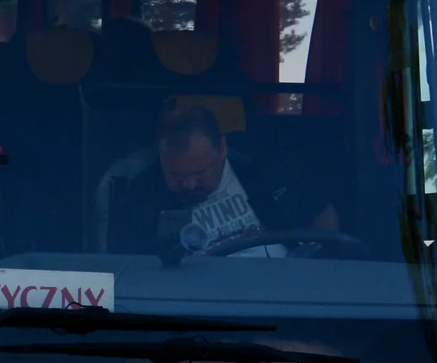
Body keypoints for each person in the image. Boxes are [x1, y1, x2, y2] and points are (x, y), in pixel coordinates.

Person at [106, 106, 340, 261]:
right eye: (175, 175)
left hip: (283, 295)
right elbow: (130, 272)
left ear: (222, 149)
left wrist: (315, 267)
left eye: (199, 172)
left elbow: (323, 215)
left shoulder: (270, 168)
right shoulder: (140, 199)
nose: (188, 184)